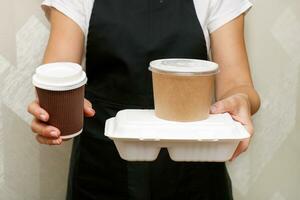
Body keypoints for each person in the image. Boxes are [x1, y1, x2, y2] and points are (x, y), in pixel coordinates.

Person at [27, 0, 261, 199]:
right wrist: (54, 109)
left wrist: (240, 100)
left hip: (195, 167)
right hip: (101, 167)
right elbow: (57, 73)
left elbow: (237, 83)